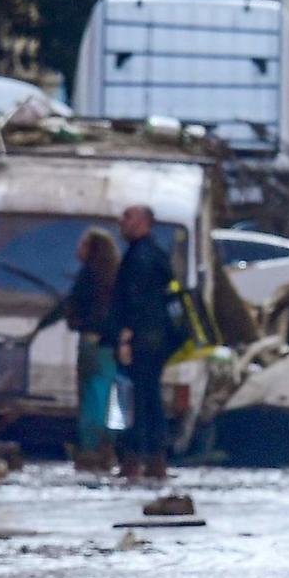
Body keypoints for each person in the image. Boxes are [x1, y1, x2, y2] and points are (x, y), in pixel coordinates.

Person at [31, 226, 119, 473]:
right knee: (105, 397)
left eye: (82, 245)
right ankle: (107, 447)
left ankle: (90, 450)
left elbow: (69, 305)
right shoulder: (114, 277)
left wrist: (42, 325)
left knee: (91, 397)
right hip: (109, 346)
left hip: (91, 343)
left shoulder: (88, 276)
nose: (77, 250)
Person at [107, 204, 176, 481]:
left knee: (139, 401)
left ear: (144, 222)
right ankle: (152, 459)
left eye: (128, 217)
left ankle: (139, 459)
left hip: (143, 340)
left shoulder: (141, 257)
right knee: (148, 399)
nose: (121, 221)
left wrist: (126, 335)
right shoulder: (154, 253)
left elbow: (136, 299)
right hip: (155, 339)